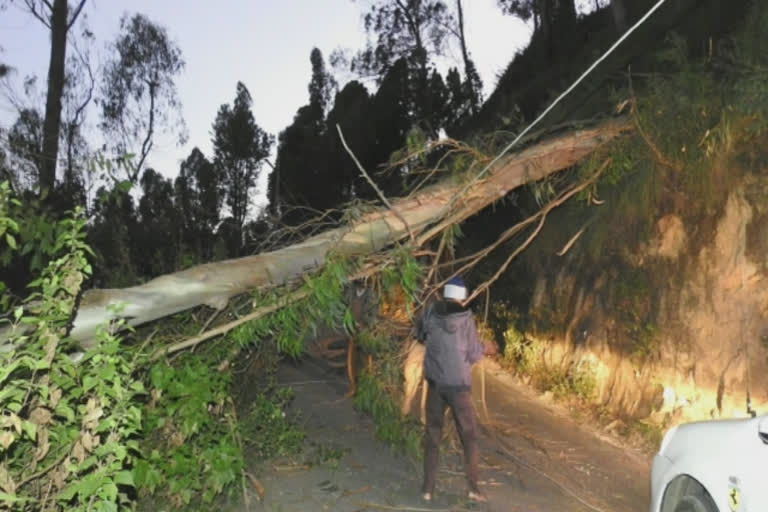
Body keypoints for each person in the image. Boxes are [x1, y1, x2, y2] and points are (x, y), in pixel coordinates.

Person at [415, 275, 488, 503]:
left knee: (433, 436)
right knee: (469, 438)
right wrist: (486, 347)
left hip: (436, 385)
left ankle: (427, 490)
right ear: (462, 298)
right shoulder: (466, 319)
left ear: (444, 294)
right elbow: (474, 354)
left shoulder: (430, 313)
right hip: (459, 388)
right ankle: (473, 489)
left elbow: (419, 335)